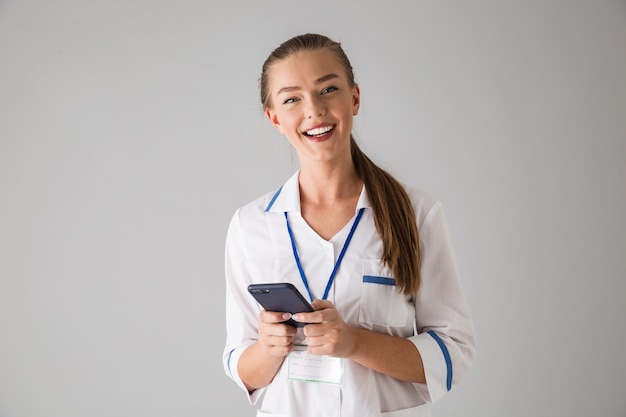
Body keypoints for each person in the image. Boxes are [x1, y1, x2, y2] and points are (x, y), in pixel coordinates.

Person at [223, 33, 475, 417]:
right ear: (274, 117)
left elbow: (453, 351)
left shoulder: (417, 212)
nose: (314, 110)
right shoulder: (251, 225)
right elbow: (242, 366)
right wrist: (268, 348)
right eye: (292, 98)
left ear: (354, 98)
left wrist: (353, 342)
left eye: (328, 89)